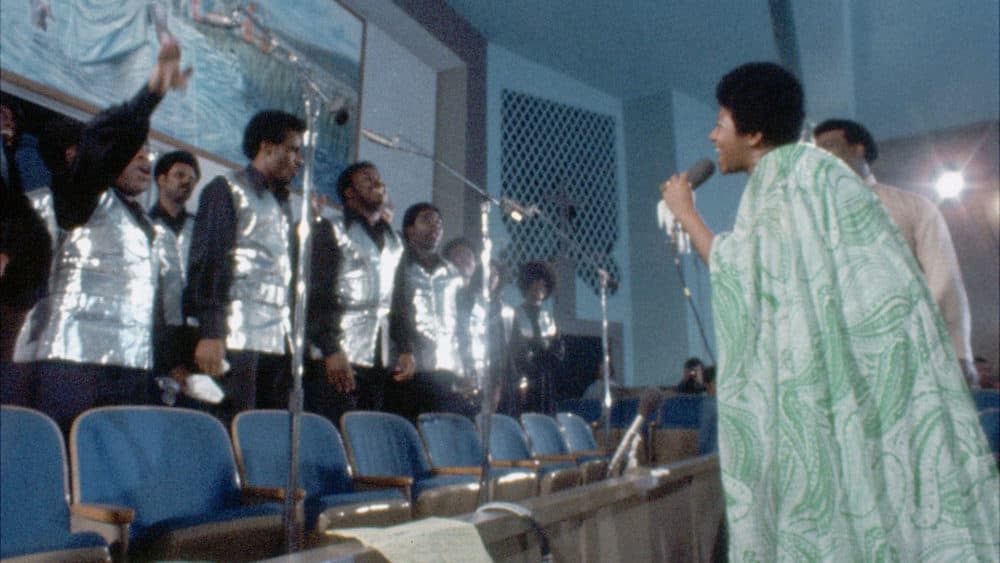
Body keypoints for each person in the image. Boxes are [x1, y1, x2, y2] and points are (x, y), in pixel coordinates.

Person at [659, 62, 998, 560]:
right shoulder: (813, 176)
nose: (712, 136)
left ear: (752, 133)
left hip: (831, 391)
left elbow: (745, 280)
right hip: (875, 382)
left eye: (721, 123)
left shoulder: (786, 180)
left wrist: (686, 214)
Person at [11, 38, 190, 434]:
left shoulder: (144, 224)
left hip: (129, 367)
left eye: (149, 152)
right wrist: (150, 96)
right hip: (68, 363)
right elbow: (102, 147)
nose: (147, 159)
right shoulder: (77, 198)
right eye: (136, 151)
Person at [813, 118, 977, 386]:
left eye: (831, 146)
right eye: (817, 151)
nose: (823, 157)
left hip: (912, 356)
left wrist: (959, 353)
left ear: (860, 149)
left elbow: (945, 280)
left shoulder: (913, 207)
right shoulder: (813, 218)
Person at [184, 110, 303, 422]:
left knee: (267, 431)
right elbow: (208, 262)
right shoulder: (225, 189)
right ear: (267, 147)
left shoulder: (283, 203)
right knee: (231, 425)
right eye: (293, 149)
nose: (299, 160)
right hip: (236, 336)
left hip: (277, 340)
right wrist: (211, 331)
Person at [306, 161, 413, 425]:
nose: (378, 183)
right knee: (335, 429)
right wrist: (331, 348)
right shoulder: (331, 229)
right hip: (339, 351)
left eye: (379, 178)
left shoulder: (396, 241)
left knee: (368, 432)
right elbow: (318, 295)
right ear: (349, 193)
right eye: (367, 179)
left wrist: (407, 348)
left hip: (380, 356)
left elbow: (401, 301)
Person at [387, 203, 476, 420]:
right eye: (426, 220)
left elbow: (462, 324)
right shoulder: (397, 264)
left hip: (446, 368)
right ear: (409, 229)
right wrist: (403, 349)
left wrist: (467, 363)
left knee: (442, 434)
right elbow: (394, 311)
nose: (435, 226)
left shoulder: (452, 272)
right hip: (408, 367)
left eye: (439, 223)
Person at [149, 150, 200, 399]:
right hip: (158, 338)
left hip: (197, 340)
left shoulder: (200, 228)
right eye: (179, 175)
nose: (186, 182)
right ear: (161, 179)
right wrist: (168, 360)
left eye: (192, 179)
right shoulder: (144, 226)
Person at [509, 260, 562, 415]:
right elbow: (515, 350)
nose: (539, 289)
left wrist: (548, 356)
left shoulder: (549, 318)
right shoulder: (515, 315)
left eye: (543, 286)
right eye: (534, 285)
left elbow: (558, 349)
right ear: (526, 286)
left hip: (546, 380)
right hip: (525, 378)